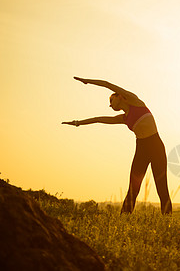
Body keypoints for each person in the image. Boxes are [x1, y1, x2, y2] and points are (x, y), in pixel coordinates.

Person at [62, 77, 172, 215]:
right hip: (141, 148)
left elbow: (107, 84)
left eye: (111, 101)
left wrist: (87, 81)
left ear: (119, 97)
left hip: (155, 145)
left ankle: (167, 219)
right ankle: (124, 218)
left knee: (161, 187)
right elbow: (98, 119)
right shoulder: (123, 118)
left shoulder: (135, 101)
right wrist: (77, 122)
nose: (110, 105)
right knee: (133, 188)